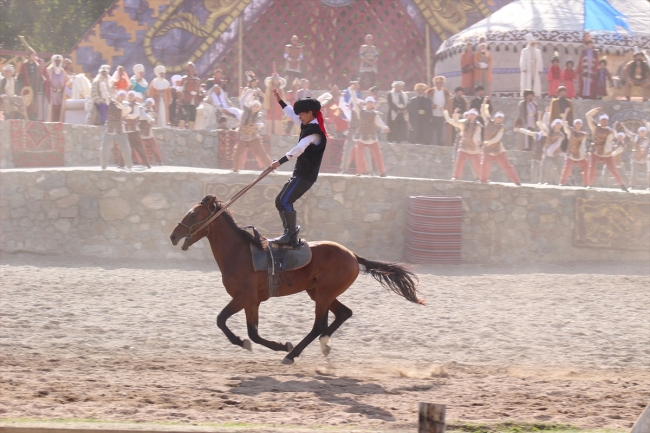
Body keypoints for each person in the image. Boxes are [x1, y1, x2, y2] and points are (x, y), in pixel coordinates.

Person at [269, 91, 328, 245]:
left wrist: (279, 162)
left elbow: (299, 149)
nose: (299, 117)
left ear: (311, 113)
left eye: (302, 114)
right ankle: (288, 234)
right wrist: (280, 101)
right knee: (279, 201)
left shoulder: (315, 133)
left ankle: (291, 236)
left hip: (306, 176)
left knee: (286, 201)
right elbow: (291, 114)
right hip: (300, 174)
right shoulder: (308, 124)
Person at [585, 108, 628, 191]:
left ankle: (622, 185)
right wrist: (595, 110)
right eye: (603, 120)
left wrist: (608, 152)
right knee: (592, 167)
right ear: (600, 121)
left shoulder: (610, 131)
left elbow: (608, 143)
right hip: (595, 151)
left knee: (613, 169)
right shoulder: (595, 127)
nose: (604, 121)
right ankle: (589, 184)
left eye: (605, 120)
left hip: (606, 153)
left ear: (607, 121)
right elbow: (588, 115)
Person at [479, 98, 520, 185]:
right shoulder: (488, 122)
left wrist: (488, 142)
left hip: (498, 150)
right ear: (495, 117)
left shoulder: (502, 127)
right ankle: (483, 181)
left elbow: (497, 138)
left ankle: (516, 181)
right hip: (487, 149)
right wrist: (484, 101)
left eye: (502, 118)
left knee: (507, 166)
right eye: (499, 117)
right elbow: (483, 112)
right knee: (484, 165)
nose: (500, 119)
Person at [233, 92, 272, 173]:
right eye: (254, 105)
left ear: (259, 108)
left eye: (257, 106)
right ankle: (236, 169)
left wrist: (257, 125)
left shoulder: (259, 115)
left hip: (253, 138)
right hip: (243, 137)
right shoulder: (245, 110)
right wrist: (250, 92)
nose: (255, 107)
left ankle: (270, 168)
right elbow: (243, 100)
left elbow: (261, 123)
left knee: (261, 153)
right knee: (237, 152)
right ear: (251, 106)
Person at [354, 96, 389, 176]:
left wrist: (385, 127)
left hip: (372, 137)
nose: (370, 104)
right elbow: (354, 101)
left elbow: (378, 121)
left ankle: (382, 172)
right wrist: (352, 90)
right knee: (359, 155)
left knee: (378, 155)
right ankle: (360, 171)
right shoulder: (360, 111)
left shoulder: (375, 114)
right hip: (361, 136)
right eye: (369, 102)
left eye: (372, 103)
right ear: (366, 103)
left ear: (373, 104)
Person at [444, 107, 482, 181]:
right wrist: (455, 115)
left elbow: (477, 135)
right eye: (471, 114)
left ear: (476, 116)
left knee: (477, 163)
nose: (472, 116)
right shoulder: (464, 122)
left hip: (473, 147)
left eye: (473, 114)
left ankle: (481, 178)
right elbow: (456, 123)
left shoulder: (478, 125)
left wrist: (478, 141)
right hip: (464, 146)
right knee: (459, 162)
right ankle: (456, 177)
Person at [100, 90, 132, 170]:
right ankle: (103, 167)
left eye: (124, 96)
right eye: (121, 95)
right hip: (109, 128)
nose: (122, 97)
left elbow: (127, 110)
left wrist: (120, 105)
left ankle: (129, 166)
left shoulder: (125, 105)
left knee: (126, 149)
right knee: (104, 148)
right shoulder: (110, 102)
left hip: (119, 128)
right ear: (117, 96)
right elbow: (105, 94)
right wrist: (103, 85)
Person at [559, 109, 589, 186]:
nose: (578, 125)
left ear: (581, 125)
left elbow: (583, 144)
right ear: (574, 124)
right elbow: (563, 123)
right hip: (571, 154)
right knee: (567, 169)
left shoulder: (583, 134)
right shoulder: (570, 131)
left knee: (586, 167)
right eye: (576, 123)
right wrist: (565, 113)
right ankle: (562, 182)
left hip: (579, 155)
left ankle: (586, 184)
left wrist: (583, 153)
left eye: (579, 123)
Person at [123, 90, 151, 168]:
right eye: (129, 95)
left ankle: (146, 163)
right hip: (125, 129)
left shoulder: (136, 105)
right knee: (124, 147)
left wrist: (129, 116)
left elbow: (136, 114)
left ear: (134, 97)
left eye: (132, 95)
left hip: (134, 129)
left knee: (139, 147)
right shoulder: (124, 104)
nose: (130, 96)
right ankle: (122, 164)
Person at [515, 112, 545, 184]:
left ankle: (541, 182)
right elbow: (528, 132)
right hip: (536, 155)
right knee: (534, 171)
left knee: (543, 171)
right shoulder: (537, 134)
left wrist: (539, 117)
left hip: (543, 156)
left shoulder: (547, 136)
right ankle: (533, 183)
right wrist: (520, 129)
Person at [338, 80, 361, 173]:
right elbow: (341, 104)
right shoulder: (345, 92)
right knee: (347, 150)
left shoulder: (362, 111)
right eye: (354, 85)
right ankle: (344, 169)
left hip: (360, 134)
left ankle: (365, 170)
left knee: (362, 152)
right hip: (352, 131)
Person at [18, 49, 46, 120]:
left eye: (35, 55)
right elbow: (20, 76)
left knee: (34, 100)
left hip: (35, 86)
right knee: (27, 101)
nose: (34, 56)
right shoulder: (24, 65)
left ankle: (33, 115)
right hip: (26, 87)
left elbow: (39, 75)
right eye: (33, 55)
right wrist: (20, 86)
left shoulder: (37, 65)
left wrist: (41, 80)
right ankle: (26, 116)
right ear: (29, 56)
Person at [621, 122, 649, 189]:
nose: (643, 133)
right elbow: (628, 132)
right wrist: (623, 126)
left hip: (644, 158)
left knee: (647, 173)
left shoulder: (647, 139)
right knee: (634, 172)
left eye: (644, 132)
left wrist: (647, 124)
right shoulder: (634, 137)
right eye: (642, 131)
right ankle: (632, 186)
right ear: (639, 132)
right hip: (635, 158)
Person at [537, 118, 565, 184]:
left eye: (559, 124)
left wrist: (553, 151)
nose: (558, 125)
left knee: (560, 168)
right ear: (554, 125)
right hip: (547, 154)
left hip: (556, 154)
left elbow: (558, 144)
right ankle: (542, 181)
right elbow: (543, 126)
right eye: (557, 123)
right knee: (544, 167)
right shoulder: (549, 132)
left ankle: (563, 182)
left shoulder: (561, 135)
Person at [263, 65, 287, 136]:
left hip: (278, 107)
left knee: (278, 117)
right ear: (272, 80)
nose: (276, 81)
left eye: (277, 79)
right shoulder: (269, 88)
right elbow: (267, 97)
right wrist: (267, 106)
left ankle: (278, 134)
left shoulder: (281, 89)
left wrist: (283, 107)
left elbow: (283, 98)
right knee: (270, 117)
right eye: (275, 79)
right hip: (271, 106)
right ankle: (269, 134)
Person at [139, 98, 164, 165]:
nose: (149, 104)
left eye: (150, 103)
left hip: (148, 131)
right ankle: (138, 161)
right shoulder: (141, 109)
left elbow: (147, 117)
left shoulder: (152, 113)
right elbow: (141, 117)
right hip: (140, 130)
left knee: (154, 146)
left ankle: (159, 160)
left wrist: (146, 116)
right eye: (148, 102)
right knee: (138, 147)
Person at [428, 76, 450, 147]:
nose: (440, 84)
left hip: (441, 113)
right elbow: (427, 100)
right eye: (438, 83)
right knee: (431, 129)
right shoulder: (431, 91)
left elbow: (448, 101)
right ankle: (430, 142)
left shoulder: (445, 92)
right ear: (435, 84)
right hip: (433, 113)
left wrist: (445, 107)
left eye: (441, 83)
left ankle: (439, 143)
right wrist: (431, 104)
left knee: (440, 130)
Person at [179, 62, 202, 129]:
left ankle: (191, 131)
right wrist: (180, 100)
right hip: (186, 99)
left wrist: (201, 93)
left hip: (195, 100)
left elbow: (200, 90)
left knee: (192, 115)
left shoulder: (198, 80)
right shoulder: (185, 79)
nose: (192, 70)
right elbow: (180, 90)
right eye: (190, 68)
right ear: (187, 70)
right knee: (183, 114)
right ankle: (181, 129)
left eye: (193, 68)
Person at [45, 55, 67, 122]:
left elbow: (65, 83)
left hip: (60, 94)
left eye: (59, 61)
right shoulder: (49, 70)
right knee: (53, 110)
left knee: (59, 110)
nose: (57, 62)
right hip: (52, 94)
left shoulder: (63, 72)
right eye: (56, 61)